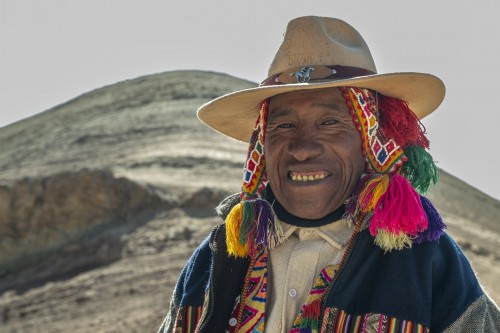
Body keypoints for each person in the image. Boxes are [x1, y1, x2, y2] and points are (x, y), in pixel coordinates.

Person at [157, 16, 500, 332]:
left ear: (370, 140)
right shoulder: (216, 258)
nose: (302, 147)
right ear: (261, 145)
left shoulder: (425, 260)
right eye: (284, 125)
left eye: (330, 123)